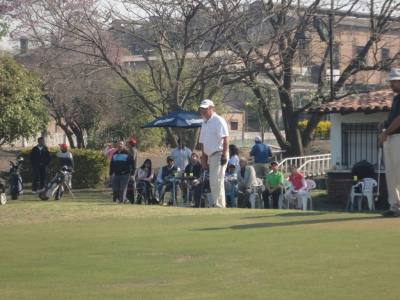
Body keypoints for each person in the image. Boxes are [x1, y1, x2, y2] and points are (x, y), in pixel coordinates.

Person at [199, 99, 229, 208]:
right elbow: (203, 142)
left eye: (205, 109)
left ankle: (218, 204)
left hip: (219, 153)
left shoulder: (218, 120)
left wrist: (224, 155)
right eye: (202, 109)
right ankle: (220, 204)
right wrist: (203, 159)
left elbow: (225, 138)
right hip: (210, 155)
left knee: (216, 179)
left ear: (211, 108)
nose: (203, 111)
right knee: (215, 180)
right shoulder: (204, 122)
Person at [379, 68, 400, 217]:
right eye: (391, 81)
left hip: (398, 137)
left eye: (394, 81)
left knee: (399, 172)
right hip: (391, 138)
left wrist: (386, 132)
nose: (391, 84)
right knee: (391, 174)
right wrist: (384, 126)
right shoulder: (396, 98)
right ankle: (394, 207)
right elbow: (393, 118)